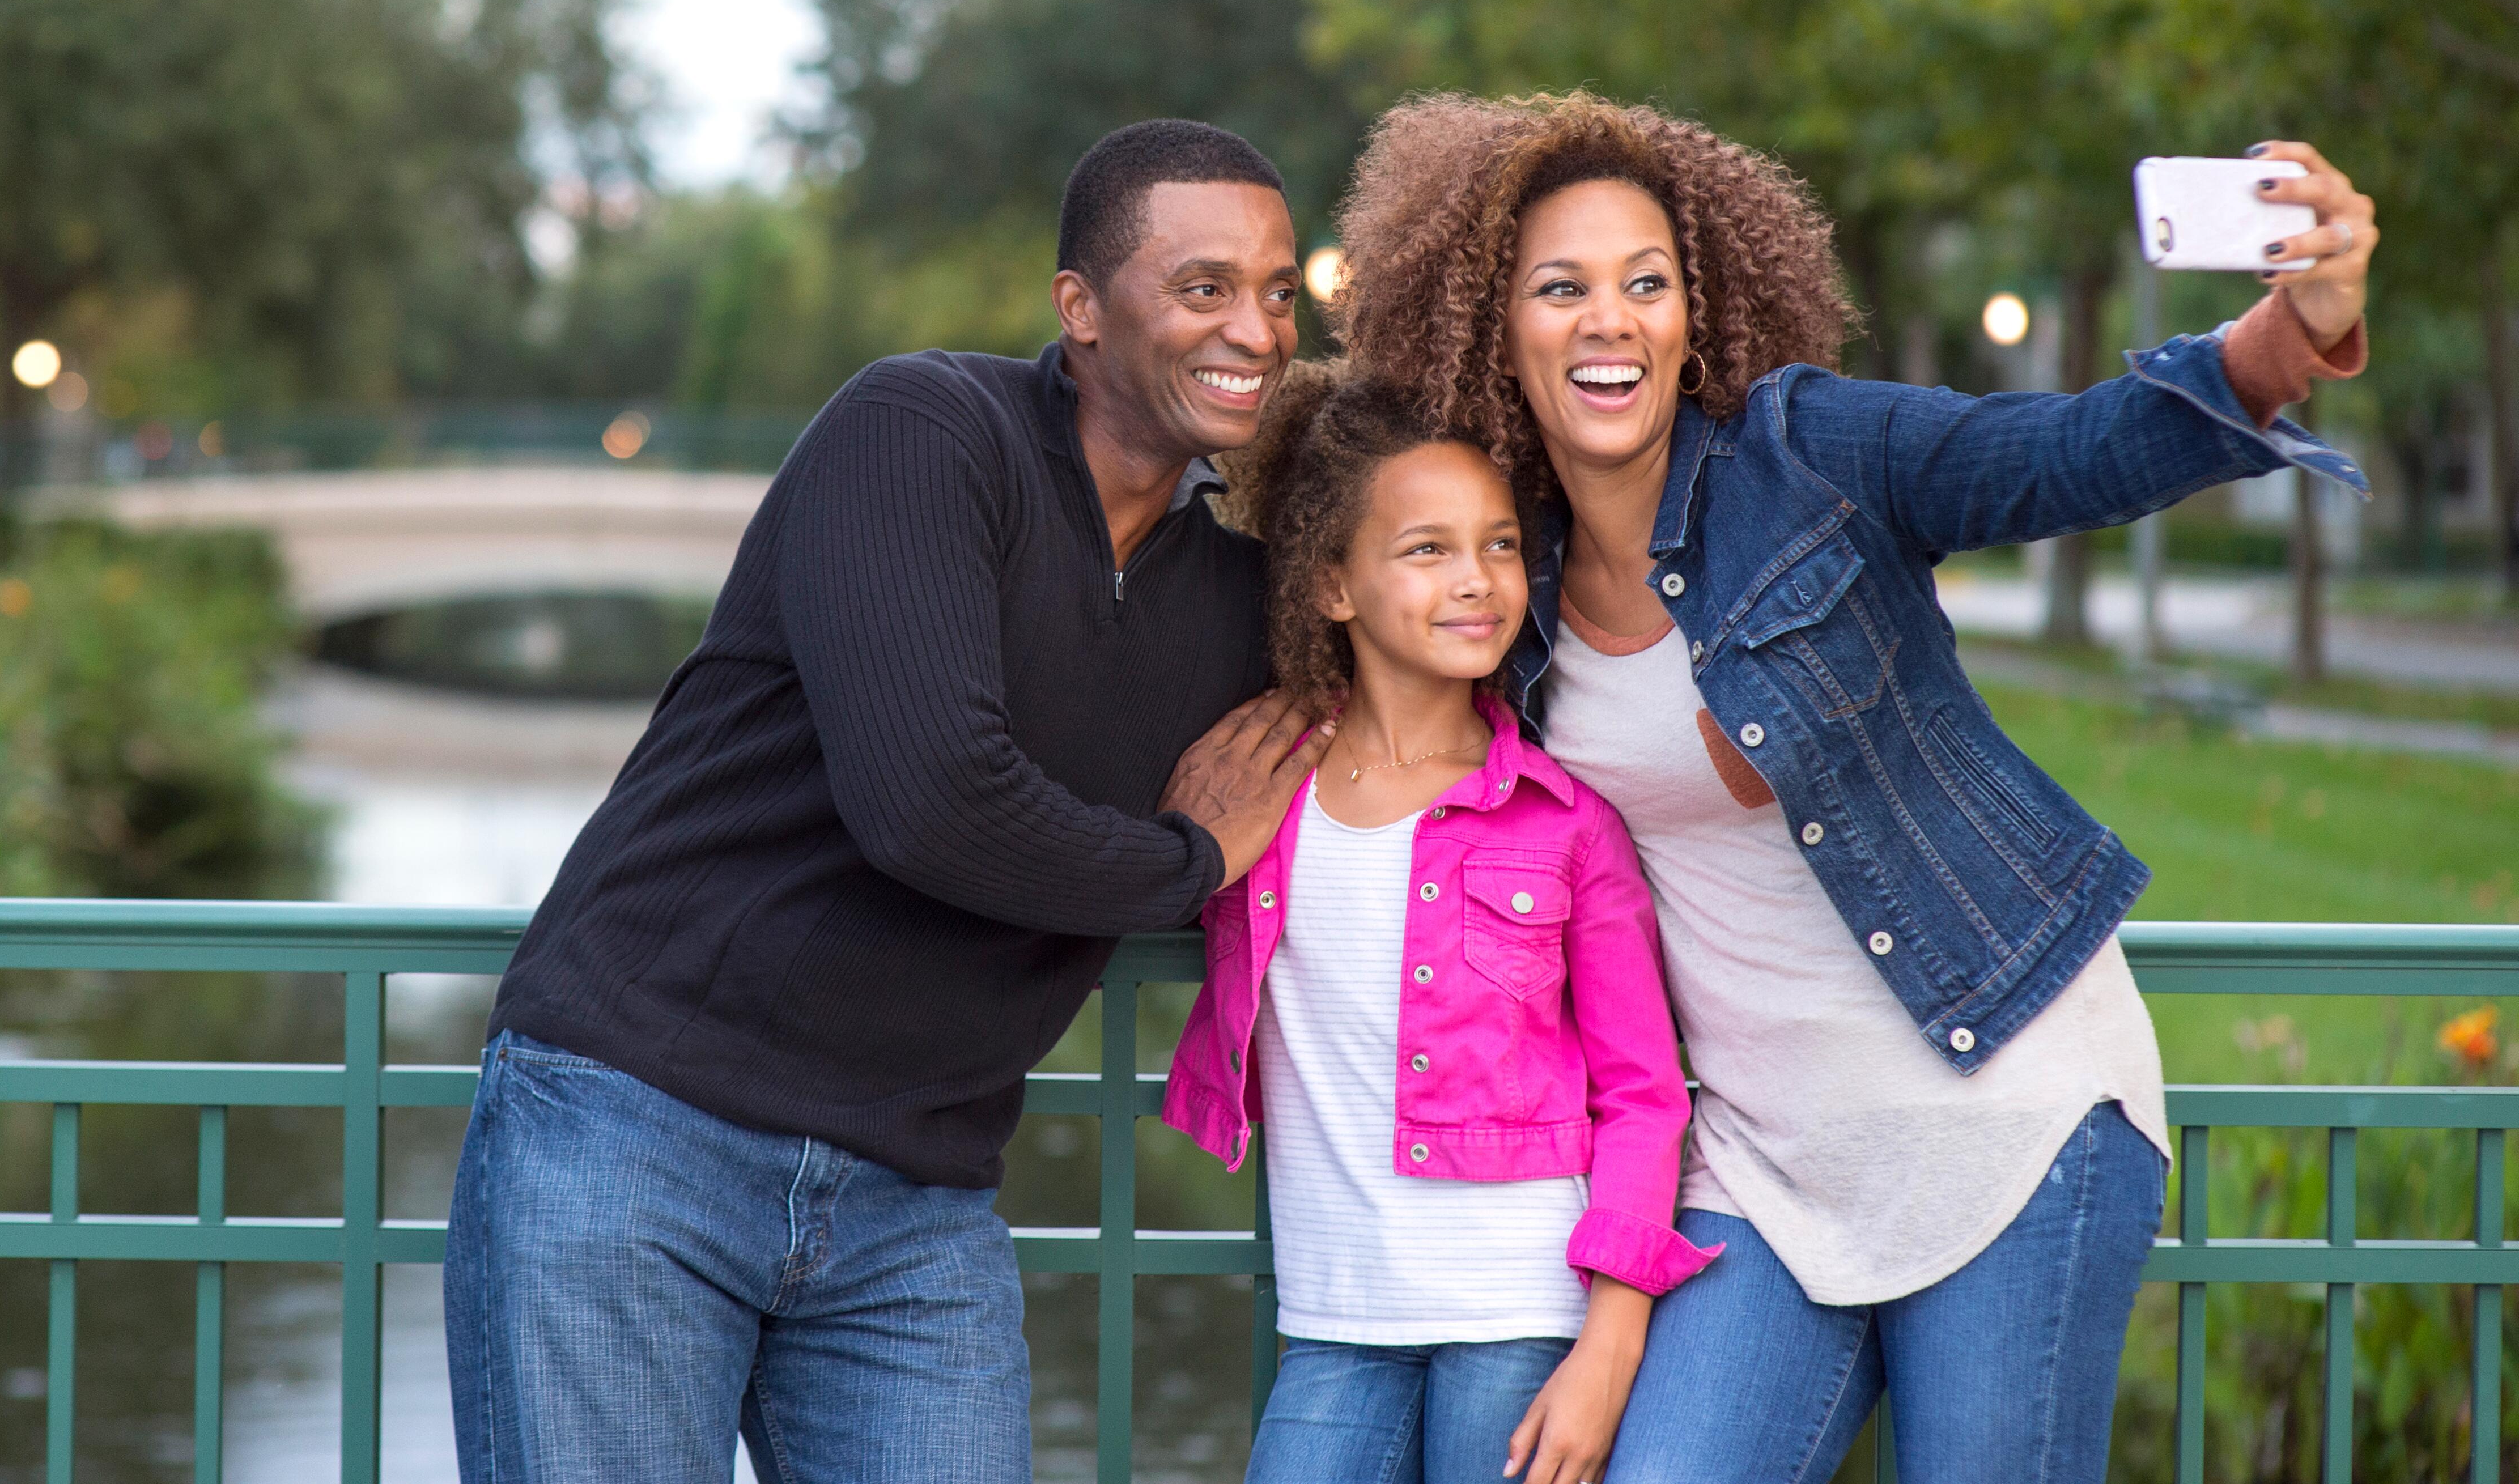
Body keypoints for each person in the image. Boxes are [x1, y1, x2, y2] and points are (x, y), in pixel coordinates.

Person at [1330, 92, 2374, 1483]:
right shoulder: (1505, 588)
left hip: (2004, 1113)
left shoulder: (1807, 453)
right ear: (1491, 328)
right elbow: (1354, 645)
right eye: (1560, 287)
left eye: (1646, 283)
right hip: (1756, 1174)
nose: (1608, 319)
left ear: (1692, 316)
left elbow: (2062, 453)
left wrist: (2285, 337)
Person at [444, 118, 1331, 1484]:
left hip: (916, 1197)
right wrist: (1188, 861)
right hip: (637, 1123)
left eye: (1280, 292)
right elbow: (928, 806)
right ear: (1079, 310)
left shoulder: (1232, 599)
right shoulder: (921, 433)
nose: (1257, 330)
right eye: (1203, 286)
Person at [1162, 364, 1713, 1484]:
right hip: (1329, 1321)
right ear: (1330, 586)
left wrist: (1609, 1344)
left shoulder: (1566, 824)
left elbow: (1644, 1096)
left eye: (1499, 545)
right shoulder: (1258, 794)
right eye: (1427, 550)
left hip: (1521, 1320)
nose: (1476, 581)